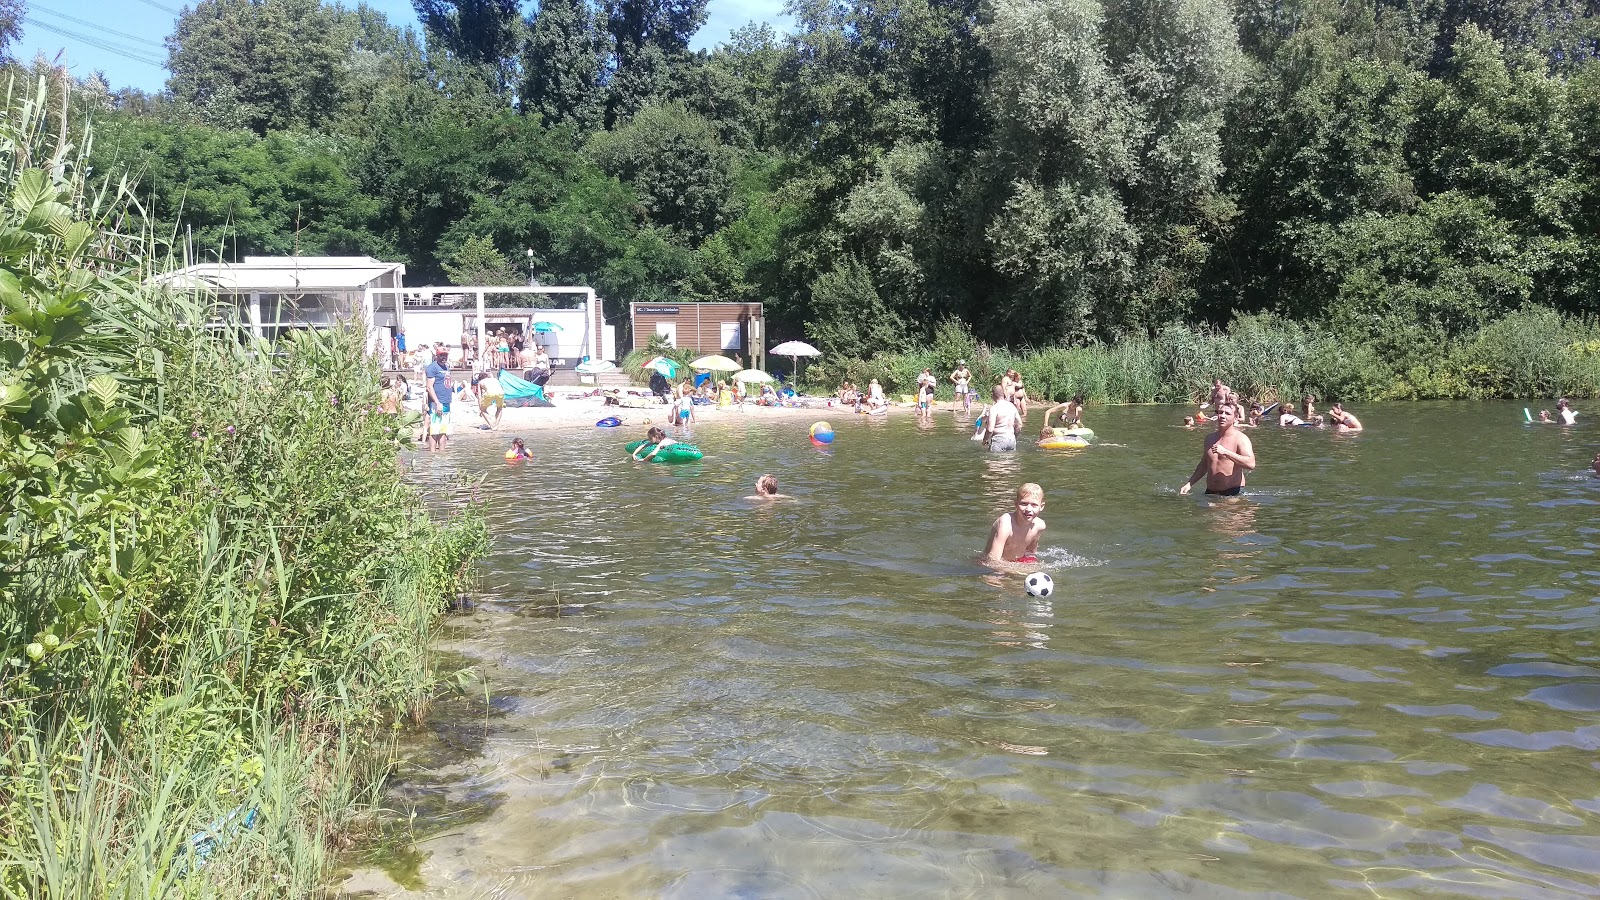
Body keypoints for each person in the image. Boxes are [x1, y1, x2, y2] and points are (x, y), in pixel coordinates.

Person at [1179, 403, 1256, 496]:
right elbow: (1204, 464)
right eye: (1220, 412)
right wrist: (1190, 484)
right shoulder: (1210, 438)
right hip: (1210, 492)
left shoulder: (1241, 438)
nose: (1222, 416)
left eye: (1227, 413)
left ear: (1235, 418)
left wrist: (1226, 452)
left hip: (1233, 493)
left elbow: (1251, 464)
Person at [982, 483, 1048, 566]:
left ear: (1041, 506)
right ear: (1016, 504)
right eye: (1024, 504)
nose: (1028, 509)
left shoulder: (1039, 526)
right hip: (988, 564)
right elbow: (992, 561)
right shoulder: (1005, 523)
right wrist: (1017, 569)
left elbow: (1030, 554)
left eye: (1034, 505)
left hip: (1016, 563)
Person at [424, 348, 452, 452]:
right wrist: (437, 403)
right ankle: (432, 453)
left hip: (446, 401)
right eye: (441, 355)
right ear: (437, 355)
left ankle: (442, 454)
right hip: (437, 402)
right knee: (435, 429)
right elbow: (429, 387)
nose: (444, 357)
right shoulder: (432, 368)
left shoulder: (446, 367)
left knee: (443, 429)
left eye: (445, 355)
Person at [981, 384, 1020, 452]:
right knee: (1010, 462)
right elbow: (1019, 424)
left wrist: (985, 440)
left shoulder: (994, 408)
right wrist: (1014, 436)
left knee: (995, 461)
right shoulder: (1012, 406)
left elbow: (990, 429)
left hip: (999, 439)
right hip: (1011, 439)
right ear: (1003, 394)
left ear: (993, 395)